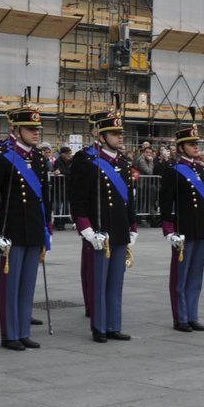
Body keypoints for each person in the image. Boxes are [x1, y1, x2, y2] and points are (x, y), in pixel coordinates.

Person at [0, 105, 51, 350]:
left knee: (27, 285)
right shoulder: (2, 159)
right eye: (30, 129)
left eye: (37, 129)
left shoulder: (39, 160)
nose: (35, 133)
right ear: (15, 129)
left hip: (33, 229)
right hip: (11, 230)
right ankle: (9, 334)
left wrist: (46, 228)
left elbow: (45, 197)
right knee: (11, 286)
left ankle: (23, 330)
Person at [69, 108, 137, 342]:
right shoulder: (86, 160)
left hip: (119, 229)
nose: (120, 136)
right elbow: (77, 199)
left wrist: (133, 226)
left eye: (121, 132)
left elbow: (129, 198)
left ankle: (113, 324)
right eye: (114, 132)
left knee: (115, 282)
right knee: (98, 282)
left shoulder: (124, 163)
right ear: (100, 135)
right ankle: (99, 326)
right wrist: (86, 229)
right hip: (99, 231)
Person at [158, 120, 204, 330]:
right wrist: (169, 230)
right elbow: (165, 203)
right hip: (183, 229)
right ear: (181, 147)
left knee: (196, 277)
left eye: (196, 143)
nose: (195, 146)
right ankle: (180, 318)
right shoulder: (173, 171)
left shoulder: (200, 170)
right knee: (180, 278)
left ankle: (192, 315)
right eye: (191, 144)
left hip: (200, 229)